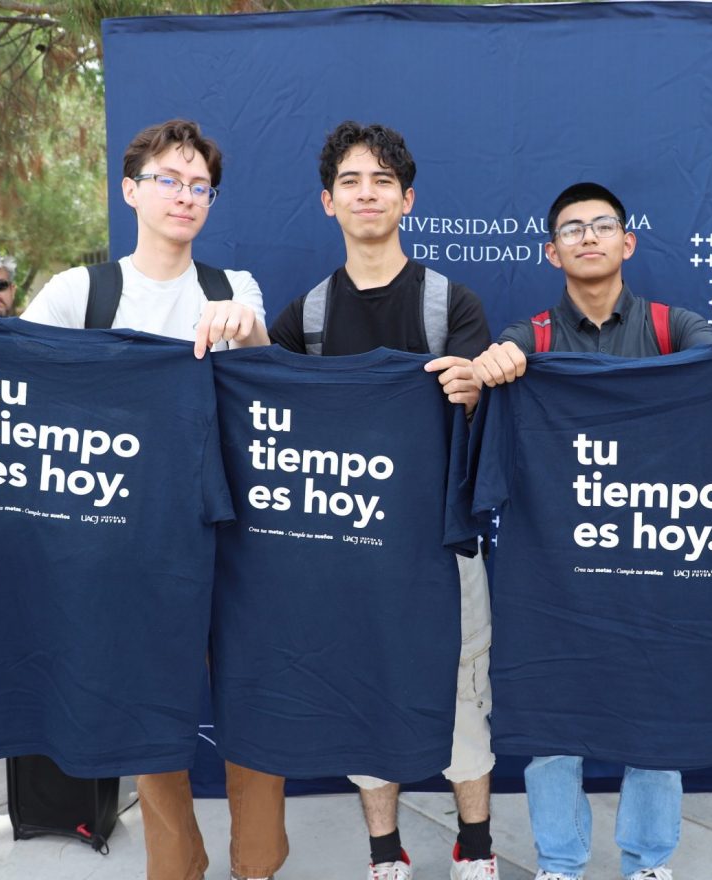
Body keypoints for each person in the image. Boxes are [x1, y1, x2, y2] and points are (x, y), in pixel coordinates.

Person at [0, 118, 286, 880]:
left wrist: (248, 333)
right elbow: (9, 385)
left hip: (230, 536)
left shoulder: (232, 289)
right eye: (169, 179)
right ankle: (176, 867)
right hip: (121, 544)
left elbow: (268, 394)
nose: (186, 196)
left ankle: (258, 865)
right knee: (144, 712)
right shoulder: (80, 291)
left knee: (251, 698)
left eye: (200, 186)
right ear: (131, 190)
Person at [472, 181, 712, 880]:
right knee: (553, 718)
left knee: (657, 717)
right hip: (557, 567)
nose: (588, 237)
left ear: (628, 242)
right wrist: (494, 365)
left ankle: (649, 862)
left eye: (602, 225)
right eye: (572, 229)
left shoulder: (677, 328)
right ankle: (560, 863)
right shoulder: (528, 337)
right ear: (551, 252)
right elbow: (492, 380)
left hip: (653, 554)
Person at [266, 120, 496, 880]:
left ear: (407, 199)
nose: (367, 194)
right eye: (351, 182)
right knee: (363, 693)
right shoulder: (304, 318)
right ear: (328, 202)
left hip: (441, 542)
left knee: (462, 694)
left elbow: (490, 428)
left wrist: (474, 391)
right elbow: (272, 427)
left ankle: (476, 847)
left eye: (383, 182)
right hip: (347, 548)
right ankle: (384, 852)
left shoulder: (451, 304)